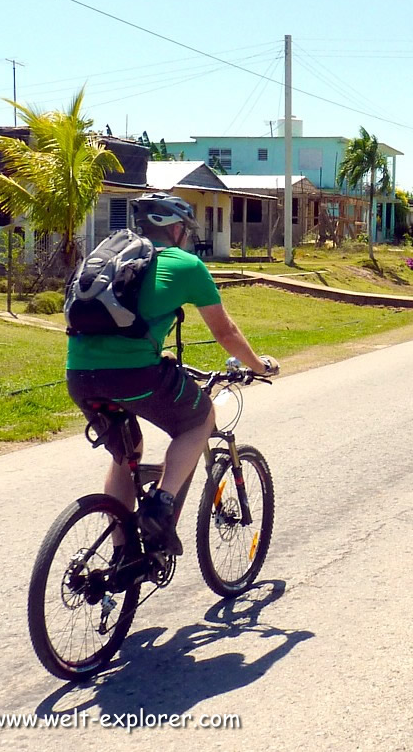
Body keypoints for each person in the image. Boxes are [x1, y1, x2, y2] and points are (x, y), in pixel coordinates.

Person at [66, 193, 278, 556]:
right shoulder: (186, 265)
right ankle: (160, 505)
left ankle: (123, 553)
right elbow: (225, 332)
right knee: (200, 418)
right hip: (133, 376)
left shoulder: (110, 261)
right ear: (177, 228)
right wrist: (259, 365)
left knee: (126, 454)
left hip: (80, 374)